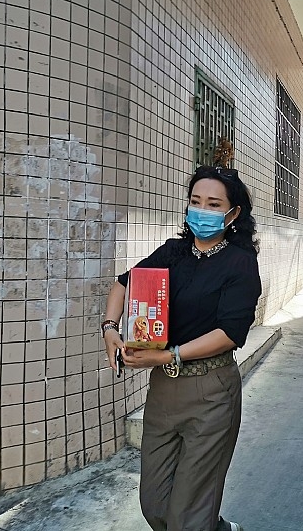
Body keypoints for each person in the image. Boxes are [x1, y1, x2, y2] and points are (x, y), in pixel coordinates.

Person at [101, 165, 262, 531]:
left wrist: (169, 354)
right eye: (195, 201)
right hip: (164, 388)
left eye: (213, 204)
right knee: (155, 505)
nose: (202, 211)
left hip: (211, 391)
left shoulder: (240, 263)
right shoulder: (173, 252)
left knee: (187, 517)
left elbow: (230, 332)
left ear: (233, 213)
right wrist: (110, 328)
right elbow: (124, 284)